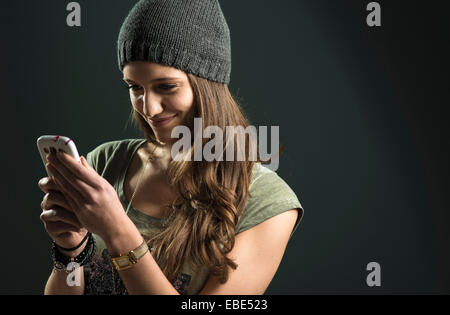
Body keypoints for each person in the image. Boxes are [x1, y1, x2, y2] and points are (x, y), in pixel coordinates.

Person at [38, 0, 304, 295]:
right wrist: (70, 251)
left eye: (166, 87)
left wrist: (119, 232)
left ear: (207, 85)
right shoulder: (106, 161)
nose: (148, 108)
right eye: (134, 88)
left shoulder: (267, 202)